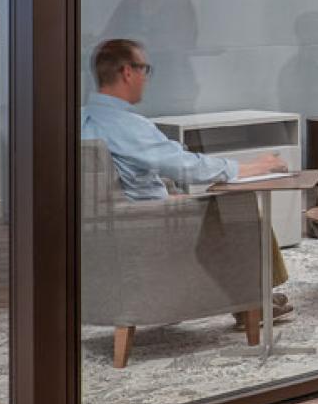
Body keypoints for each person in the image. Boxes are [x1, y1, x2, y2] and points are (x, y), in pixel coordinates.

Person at [82, 38, 290, 316]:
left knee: (210, 205)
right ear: (127, 72)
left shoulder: (78, 119)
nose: (146, 79)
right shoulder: (129, 126)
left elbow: (121, 181)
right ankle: (253, 302)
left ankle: (250, 297)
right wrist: (252, 167)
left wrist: (166, 195)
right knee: (241, 207)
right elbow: (186, 166)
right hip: (148, 225)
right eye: (145, 70)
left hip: (110, 227)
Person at [102, 0, 200, 115]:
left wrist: (145, 42)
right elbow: (109, 36)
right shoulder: (129, 3)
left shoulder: (178, 0)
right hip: (137, 86)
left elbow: (186, 39)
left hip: (173, 84)